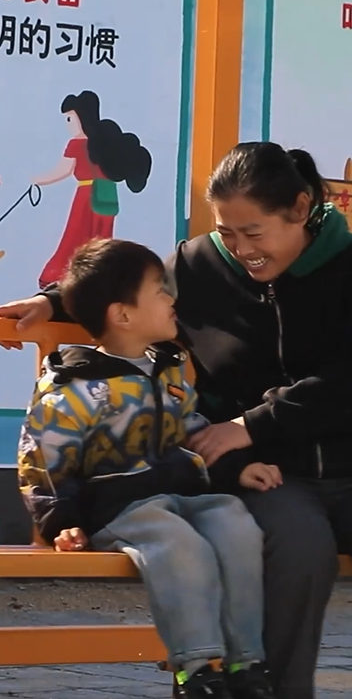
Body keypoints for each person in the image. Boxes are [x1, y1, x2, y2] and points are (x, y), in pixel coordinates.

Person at [1, 142, 352, 699]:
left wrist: (248, 425)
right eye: (227, 232)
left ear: (299, 209)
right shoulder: (197, 265)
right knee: (300, 555)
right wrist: (52, 301)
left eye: (254, 233)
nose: (242, 249)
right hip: (263, 474)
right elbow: (124, 290)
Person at [17, 237, 279, 699]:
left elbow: (192, 429)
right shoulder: (75, 386)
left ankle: (245, 660)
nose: (171, 298)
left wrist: (235, 468)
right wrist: (62, 520)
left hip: (182, 493)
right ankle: (195, 667)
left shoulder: (168, 369)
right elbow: (42, 458)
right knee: (178, 543)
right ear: (123, 315)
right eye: (159, 290)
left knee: (236, 524)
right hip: (119, 505)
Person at [34, 90, 152, 288]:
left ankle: (58, 277)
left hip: (87, 196)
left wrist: (37, 180)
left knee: (75, 237)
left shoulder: (77, 144)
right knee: (101, 242)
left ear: (82, 118)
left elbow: (63, 170)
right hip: (107, 196)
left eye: (70, 118)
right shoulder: (106, 143)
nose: (68, 124)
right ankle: (100, 281)